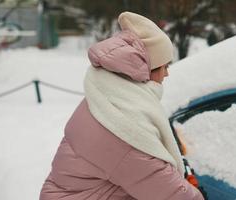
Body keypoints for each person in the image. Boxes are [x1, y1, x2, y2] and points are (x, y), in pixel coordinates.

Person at [39, 11, 204, 200]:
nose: (167, 74)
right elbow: (171, 194)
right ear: (147, 70)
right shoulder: (124, 126)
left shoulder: (108, 101)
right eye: (165, 66)